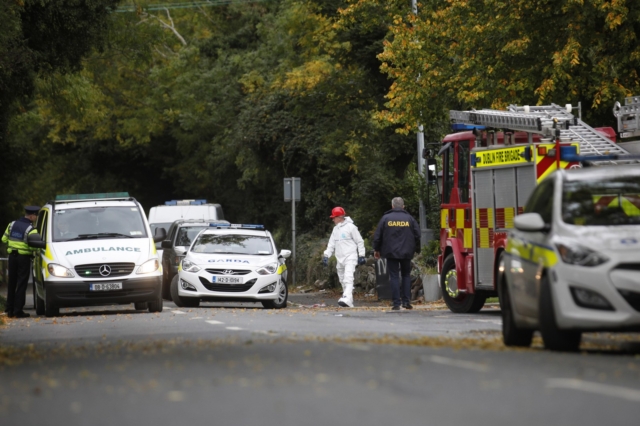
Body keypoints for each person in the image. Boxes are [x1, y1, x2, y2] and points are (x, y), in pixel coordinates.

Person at [373, 197, 421, 310]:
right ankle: (406, 301)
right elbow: (418, 234)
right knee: (406, 275)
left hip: (391, 252)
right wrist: (412, 246)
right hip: (406, 252)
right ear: (403, 206)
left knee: (394, 276)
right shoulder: (409, 218)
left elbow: (378, 236)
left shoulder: (386, 218)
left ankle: (396, 303)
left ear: (392, 206)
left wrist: (377, 249)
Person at [322, 207, 366, 308]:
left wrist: (361, 255)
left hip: (350, 256)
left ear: (339, 217)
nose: (332, 219)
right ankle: (348, 299)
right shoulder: (335, 229)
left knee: (348, 277)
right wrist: (326, 255)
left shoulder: (351, 227)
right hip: (340, 258)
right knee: (342, 279)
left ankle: (346, 297)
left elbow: (360, 241)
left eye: (334, 217)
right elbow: (331, 244)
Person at [2, 206, 40, 318]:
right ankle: (18, 311)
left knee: (12, 283)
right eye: (36, 216)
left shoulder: (11, 225)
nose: (36, 218)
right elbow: (34, 247)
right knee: (22, 283)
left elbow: (4, 239)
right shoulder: (31, 229)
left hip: (12, 257)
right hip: (23, 258)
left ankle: (9, 309)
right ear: (32, 216)